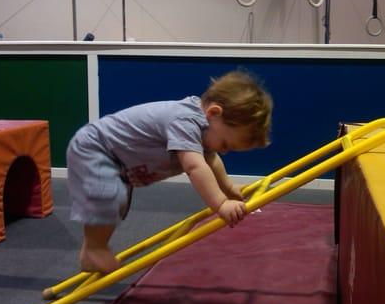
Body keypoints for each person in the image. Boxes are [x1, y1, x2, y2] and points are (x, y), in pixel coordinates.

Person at [66, 70, 273, 274]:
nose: (224, 151)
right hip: (96, 148)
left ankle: (93, 249)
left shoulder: (205, 127)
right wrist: (221, 203)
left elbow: (210, 158)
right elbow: (195, 167)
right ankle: (94, 249)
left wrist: (227, 187)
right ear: (213, 113)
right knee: (108, 197)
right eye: (226, 144)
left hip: (120, 161)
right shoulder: (184, 120)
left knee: (116, 206)